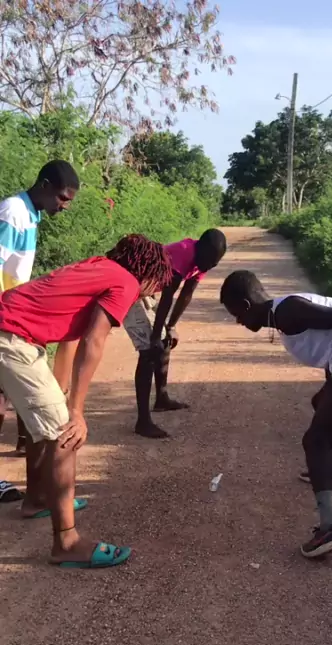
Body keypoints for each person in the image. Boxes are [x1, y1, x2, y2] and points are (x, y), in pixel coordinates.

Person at [0, 235, 172, 568]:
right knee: (65, 433)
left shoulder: (98, 267)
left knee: (46, 422)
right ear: (148, 274)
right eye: (154, 287)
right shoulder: (126, 282)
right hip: (12, 338)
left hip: (9, 329)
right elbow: (93, 341)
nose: (149, 295)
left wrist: (62, 392)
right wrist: (75, 411)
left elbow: (70, 336)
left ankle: (37, 498)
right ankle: (67, 543)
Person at [220, 270, 332, 558]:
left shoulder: (288, 311)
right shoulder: (282, 314)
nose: (238, 322)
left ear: (246, 305)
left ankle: (330, 528)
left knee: (314, 440)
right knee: (321, 402)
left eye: (237, 315)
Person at [0, 160, 79, 497]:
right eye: (62, 198)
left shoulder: (30, 215)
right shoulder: (13, 212)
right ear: (44, 186)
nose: (64, 206)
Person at [124, 229, 227, 438]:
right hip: (131, 286)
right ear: (200, 248)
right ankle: (142, 421)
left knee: (165, 341)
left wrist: (170, 327)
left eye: (214, 264)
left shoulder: (203, 260)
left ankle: (161, 398)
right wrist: (155, 335)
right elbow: (168, 295)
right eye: (209, 261)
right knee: (149, 350)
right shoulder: (184, 252)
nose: (209, 266)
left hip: (147, 288)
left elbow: (187, 294)